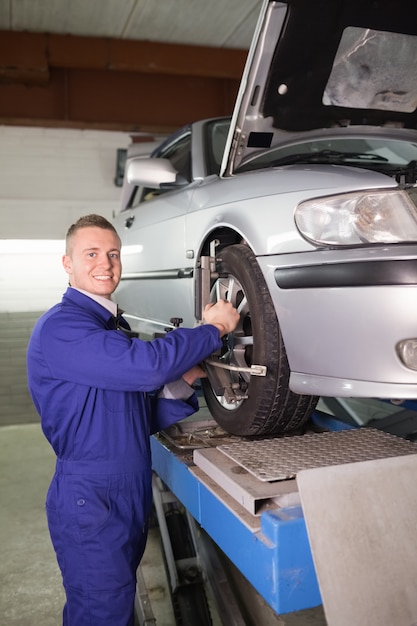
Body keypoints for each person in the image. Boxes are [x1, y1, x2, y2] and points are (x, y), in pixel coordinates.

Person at [26, 214, 239, 626]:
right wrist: (210, 329)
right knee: (101, 614)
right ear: (67, 263)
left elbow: (126, 417)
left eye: (113, 254)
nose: (105, 263)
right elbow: (146, 367)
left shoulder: (107, 324)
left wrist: (187, 379)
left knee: (115, 608)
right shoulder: (62, 328)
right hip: (91, 497)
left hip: (122, 490)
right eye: (91, 254)